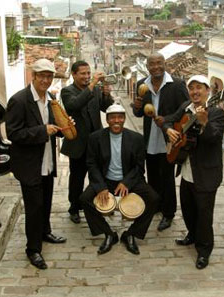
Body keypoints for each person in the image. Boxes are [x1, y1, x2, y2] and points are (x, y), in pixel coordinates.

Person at [6, 59, 68, 270]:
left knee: (47, 201)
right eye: (41, 75)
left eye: (49, 76)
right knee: (34, 208)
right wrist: (43, 131)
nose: (45, 80)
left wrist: (63, 127)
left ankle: (45, 232)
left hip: (47, 161)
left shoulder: (51, 98)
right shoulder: (19, 100)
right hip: (29, 165)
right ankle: (33, 249)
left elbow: (53, 125)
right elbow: (13, 133)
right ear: (33, 76)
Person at [163, 75, 224, 269]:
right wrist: (168, 130)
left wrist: (204, 123)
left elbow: (213, 138)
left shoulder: (216, 113)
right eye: (192, 88)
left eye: (200, 88)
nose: (195, 92)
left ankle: (204, 250)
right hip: (187, 170)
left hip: (206, 173)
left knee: (204, 215)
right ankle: (192, 234)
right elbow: (169, 120)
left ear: (208, 91)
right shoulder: (185, 107)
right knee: (188, 209)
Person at [80, 104, 159, 255]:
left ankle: (131, 234)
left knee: (153, 199)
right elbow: (92, 164)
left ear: (124, 119)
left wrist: (126, 183)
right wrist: (101, 187)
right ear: (107, 120)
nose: (116, 120)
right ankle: (109, 233)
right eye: (112, 117)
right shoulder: (95, 138)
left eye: (120, 117)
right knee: (85, 199)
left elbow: (139, 167)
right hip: (106, 180)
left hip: (128, 180)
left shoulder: (137, 138)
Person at [133, 53, 189, 231]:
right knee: (153, 177)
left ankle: (168, 213)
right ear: (147, 66)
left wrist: (166, 121)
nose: (156, 67)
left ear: (164, 64)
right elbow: (138, 114)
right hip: (150, 140)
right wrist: (136, 107)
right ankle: (155, 206)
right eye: (152, 64)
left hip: (169, 139)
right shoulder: (142, 84)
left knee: (167, 178)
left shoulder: (177, 85)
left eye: (159, 63)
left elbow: (185, 110)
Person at [61, 60, 114, 224]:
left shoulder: (96, 90)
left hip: (96, 143)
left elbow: (107, 108)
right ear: (74, 74)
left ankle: (100, 205)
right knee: (77, 178)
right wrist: (92, 85)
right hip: (78, 144)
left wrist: (106, 94)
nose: (86, 76)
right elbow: (74, 105)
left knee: (98, 177)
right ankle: (74, 208)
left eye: (88, 73)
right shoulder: (67, 91)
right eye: (83, 74)